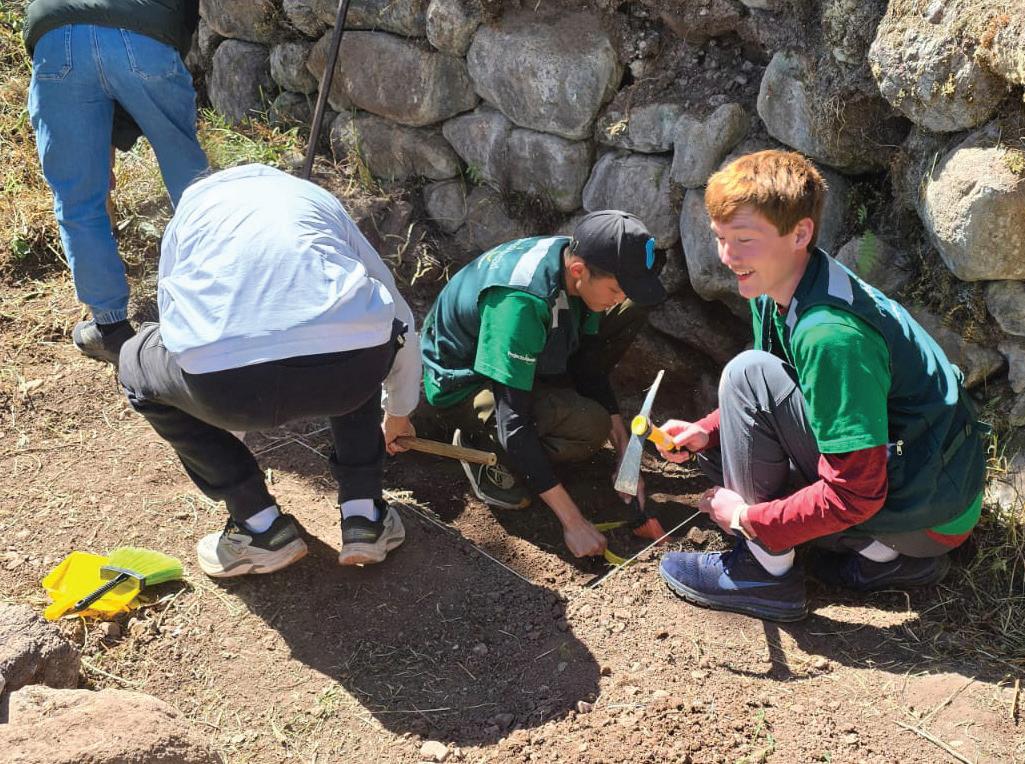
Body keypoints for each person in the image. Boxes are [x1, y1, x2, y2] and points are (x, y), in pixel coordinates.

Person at [653, 150, 987, 622]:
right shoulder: (783, 283)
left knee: (745, 375)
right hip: (927, 485)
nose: (728, 256)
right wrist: (708, 430)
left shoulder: (830, 335)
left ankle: (762, 573)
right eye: (720, 238)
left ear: (800, 233)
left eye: (744, 239)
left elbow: (856, 493)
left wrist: (747, 520)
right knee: (724, 441)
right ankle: (882, 560)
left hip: (931, 514)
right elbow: (783, 389)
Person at [117, 164, 421, 578]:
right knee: (354, 323)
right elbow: (397, 316)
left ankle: (258, 525)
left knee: (134, 362)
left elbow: (178, 327)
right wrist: (399, 412)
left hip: (229, 386)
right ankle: (364, 516)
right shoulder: (313, 199)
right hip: (349, 374)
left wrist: (228, 426)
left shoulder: (190, 211)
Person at [420, 212, 667, 558]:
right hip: (463, 381)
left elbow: (590, 367)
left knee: (629, 309)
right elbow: (514, 422)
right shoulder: (521, 303)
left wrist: (624, 450)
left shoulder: (579, 263)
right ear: (578, 270)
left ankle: (540, 398)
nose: (619, 295)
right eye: (615, 288)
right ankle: (482, 445)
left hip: (519, 355)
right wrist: (573, 522)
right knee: (589, 428)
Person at [24, 0, 209, 363]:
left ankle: (111, 330)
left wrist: (103, 142)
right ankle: (219, 294)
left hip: (56, 36)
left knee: (78, 197)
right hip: (143, 32)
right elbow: (180, 18)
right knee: (192, 184)